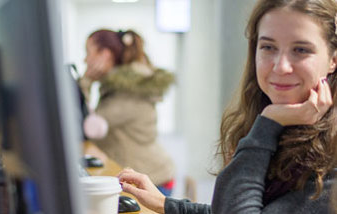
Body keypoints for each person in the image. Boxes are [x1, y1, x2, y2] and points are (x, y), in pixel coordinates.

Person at [117, 0, 337, 213]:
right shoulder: (287, 126)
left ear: (333, 60)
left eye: (301, 50)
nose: (280, 66)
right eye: (268, 47)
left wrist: (269, 122)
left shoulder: (329, 154)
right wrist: (165, 204)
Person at [79, 29, 176, 196]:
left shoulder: (128, 92)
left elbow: (91, 128)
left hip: (153, 179)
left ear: (106, 55)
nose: (85, 59)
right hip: (146, 173)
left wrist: (86, 81)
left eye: (88, 53)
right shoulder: (118, 87)